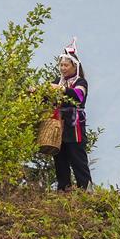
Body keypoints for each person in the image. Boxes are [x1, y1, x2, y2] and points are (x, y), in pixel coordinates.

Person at [48, 39, 92, 191]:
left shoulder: (80, 82)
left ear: (75, 66)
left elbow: (79, 96)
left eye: (66, 65)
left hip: (75, 127)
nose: (63, 68)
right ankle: (63, 189)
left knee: (78, 159)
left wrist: (61, 90)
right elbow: (47, 98)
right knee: (60, 159)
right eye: (61, 65)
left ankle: (86, 189)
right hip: (58, 126)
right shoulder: (57, 81)